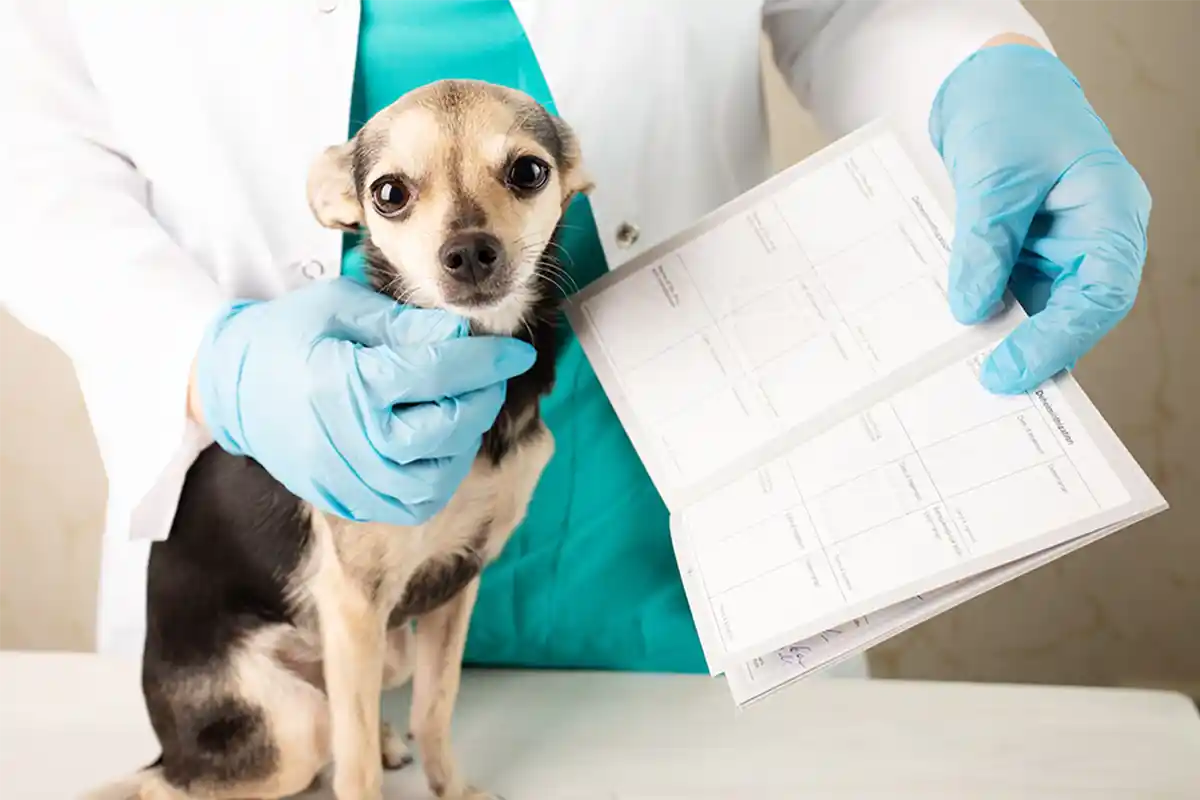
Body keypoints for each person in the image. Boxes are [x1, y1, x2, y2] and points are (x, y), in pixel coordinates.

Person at [0, 1, 1149, 675]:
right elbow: (28, 133)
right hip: (274, 552)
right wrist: (203, 359)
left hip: (669, 547)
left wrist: (979, 70)